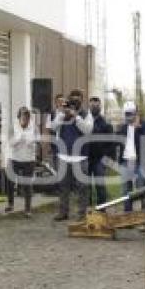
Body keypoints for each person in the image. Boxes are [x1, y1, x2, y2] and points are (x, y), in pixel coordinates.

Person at [51, 89, 93, 221]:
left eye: (77, 99)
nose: (75, 101)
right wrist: (63, 114)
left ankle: (82, 214)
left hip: (80, 157)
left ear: (81, 100)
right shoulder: (62, 112)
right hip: (64, 156)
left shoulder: (86, 114)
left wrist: (76, 116)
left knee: (82, 188)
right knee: (63, 186)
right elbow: (53, 127)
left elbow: (87, 130)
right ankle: (63, 212)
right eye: (72, 98)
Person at [116, 101, 145, 212]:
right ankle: (128, 214)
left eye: (131, 114)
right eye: (127, 114)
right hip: (126, 162)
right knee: (125, 190)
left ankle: (144, 215)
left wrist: (138, 128)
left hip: (141, 161)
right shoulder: (122, 127)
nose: (129, 116)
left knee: (142, 188)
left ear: (136, 113)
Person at [5, 107, 36, 217]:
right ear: (18, 117)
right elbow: (10, 142)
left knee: (27, 185)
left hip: (29, 159)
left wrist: (28, 139)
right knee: (10, 182)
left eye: (27, 118)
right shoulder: (13, 126)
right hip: (14, 158)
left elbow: (35, 141)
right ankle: (10, 204)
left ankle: (27, 209)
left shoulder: (33, 126)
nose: (25, 120)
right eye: (23, 117)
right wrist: (21, 136)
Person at [85, 96, 113, 207]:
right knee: (86, 186)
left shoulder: (105, 123)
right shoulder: (85, 121)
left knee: (100, 186)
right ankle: (88, 209)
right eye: (92, 105)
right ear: (89, 106)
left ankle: (101, 209)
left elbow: (111, 142)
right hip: (86, 158)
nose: (94, 107)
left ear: (100, 106)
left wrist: (105, 157)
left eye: (96, 105)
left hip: (99, 160)